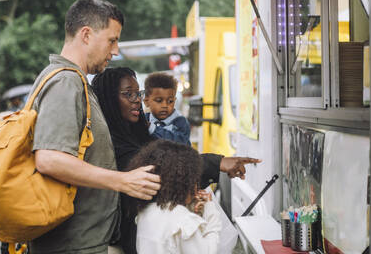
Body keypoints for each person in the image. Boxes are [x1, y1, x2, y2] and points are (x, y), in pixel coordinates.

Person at [29, 0, 160, 254]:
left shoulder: (73, 80)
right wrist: (121, 181)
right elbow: (49, 159)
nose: (115, 51)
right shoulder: (65, 82)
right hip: (72, 245)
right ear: (86, 35)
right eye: (112, 40)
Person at [92, 67, 261, 254]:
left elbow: (169, 156)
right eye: (128, 94)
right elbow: (157, 170)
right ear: (109, 100)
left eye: (137, 93)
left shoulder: (137, 130)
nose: (137, 100)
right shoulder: (112, 142)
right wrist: (216, 162)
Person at [129, 140, 221, 254]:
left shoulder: (145, 211)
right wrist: (210, 211)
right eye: (194, 180)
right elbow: (208, 251)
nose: (196, 187)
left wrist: (193, 214)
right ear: (183, 183)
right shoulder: (183, 220)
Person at [143, 72, 191, 146]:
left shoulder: (180, 121)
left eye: (170, 101)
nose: (165, 105)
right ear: (146, 102)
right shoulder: (144, 120)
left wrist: (152, 129)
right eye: (159, 100)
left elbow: (180, 143)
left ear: (175, 101)